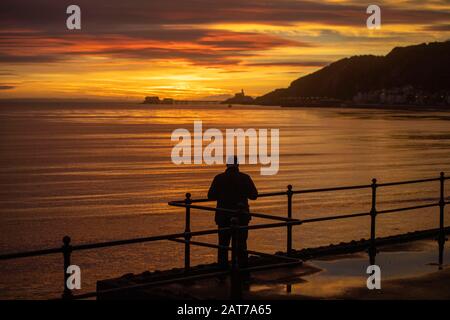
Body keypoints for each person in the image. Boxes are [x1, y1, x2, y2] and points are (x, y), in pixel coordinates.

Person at [207, 156, 258, 269]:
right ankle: (243, 269)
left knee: (223, 245)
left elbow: (210, 196)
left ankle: (222, 270)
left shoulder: (219, 178)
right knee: (241, 244)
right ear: (238, 165)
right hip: (241, 216)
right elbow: (254, 195)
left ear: (227, 165)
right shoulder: (245, 178)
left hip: (223, 216)